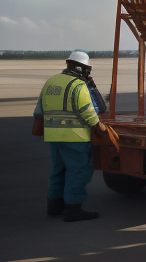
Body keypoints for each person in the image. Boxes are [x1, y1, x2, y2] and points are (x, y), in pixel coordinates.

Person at [33, 51, 106, 222]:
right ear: (83, 68)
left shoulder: (50, 82)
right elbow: (87, 111)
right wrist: (98, 125)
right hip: (75, 136)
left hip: (53, 136)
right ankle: (73, 209)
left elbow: (39, 111)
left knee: (58, 170)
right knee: (78, 171)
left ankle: (54, 206)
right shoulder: (78, 85)